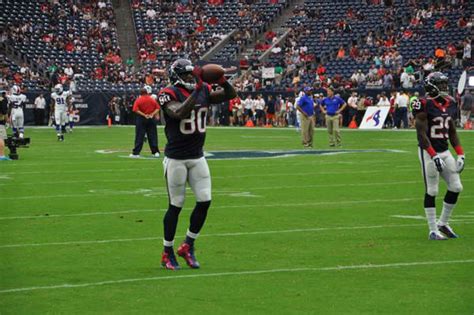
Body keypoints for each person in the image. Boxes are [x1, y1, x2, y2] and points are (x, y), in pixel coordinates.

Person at [157, 58, 237, 270]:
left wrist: (222, 80)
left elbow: (230, 95)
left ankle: (188, 245)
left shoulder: (202, 90)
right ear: (176, 76)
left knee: (205, 200)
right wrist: (198, 89)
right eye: (186, 76)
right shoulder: (168, 92)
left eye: (193, 75)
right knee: (176, 205)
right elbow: (178, 112)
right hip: (176, 158)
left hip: (197, 156)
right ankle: (167, 251)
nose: (191, 79)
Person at [413, 72, 464, 240]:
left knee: (456, 187)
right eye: (441, 84)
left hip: (444, 150)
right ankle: (433, 229)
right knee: (432, 190)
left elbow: (452, 131)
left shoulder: (450, 103)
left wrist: (460, 154)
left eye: (444, 84)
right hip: (428, 152)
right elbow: (421, 135)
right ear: (431, 86)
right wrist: (434, 156)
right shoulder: (423, 104)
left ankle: (443, 223)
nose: (444, 87)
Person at [129, 85, 161, 158]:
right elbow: (158, 108)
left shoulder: (139, 100)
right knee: (153, 136)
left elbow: (135, 110)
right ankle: (155, 152)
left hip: (141, 119)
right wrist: (152, 114)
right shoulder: (152, 99)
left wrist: (144, 115)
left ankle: (136, 153)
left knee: (139, 136)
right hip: (151, 119)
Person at [0, 91, 10, 161]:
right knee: (1, 138)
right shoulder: (2, 100)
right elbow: (4, 112)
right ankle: (2, 156)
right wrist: (7, 120)